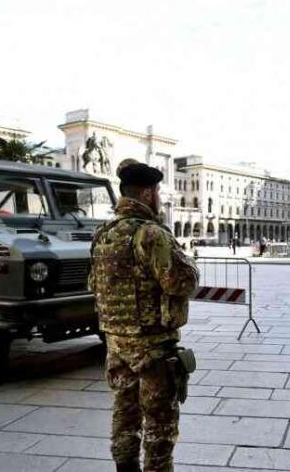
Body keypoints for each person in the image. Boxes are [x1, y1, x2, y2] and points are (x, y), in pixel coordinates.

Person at [90, 158, 199, 472]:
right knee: (160, 423)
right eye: (157, 191)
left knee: (124, 413)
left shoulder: (103, 234)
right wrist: (188, 264)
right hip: (152, 347)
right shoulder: (150, 234)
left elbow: (94, 285)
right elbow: (182, 282)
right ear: (148, 193)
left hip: (116, 345)